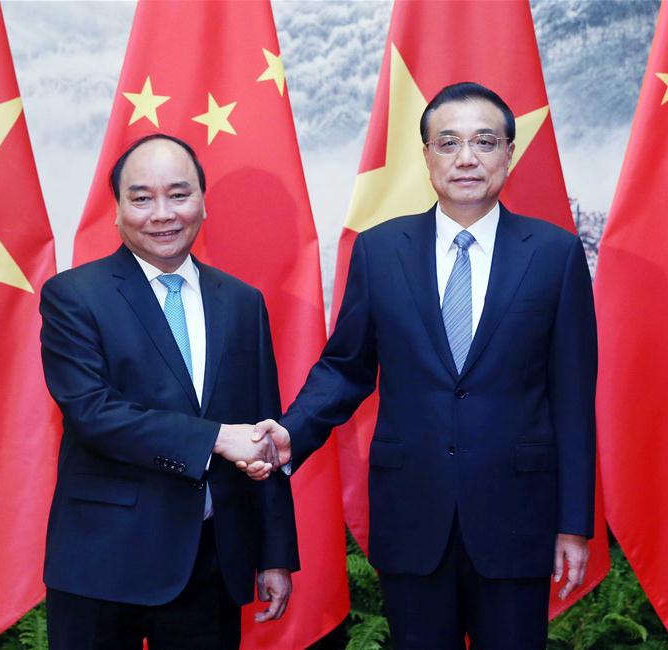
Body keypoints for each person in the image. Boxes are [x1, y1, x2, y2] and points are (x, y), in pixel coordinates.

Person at [247, 82, 597, 648]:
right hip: (413, 514)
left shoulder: (554, 255)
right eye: (449, 142)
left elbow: (574, 398)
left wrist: (574, 524)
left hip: (518, 518)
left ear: (509, 153)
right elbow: (345, 367)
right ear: (426, 155)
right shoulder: (380, 250)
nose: (466, 158)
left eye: (485, 142)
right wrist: (291, 432)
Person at [39, 134, 298, 649]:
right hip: (101, 563)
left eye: (179, 195)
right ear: (116, 210)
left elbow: (262, 430)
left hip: (210, 563)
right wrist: (215, 438)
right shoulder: (73, 297)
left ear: (202, 202)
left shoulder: (243, 303)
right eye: (141, 198)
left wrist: (273, 554)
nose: (162, 213)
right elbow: (94, 414)